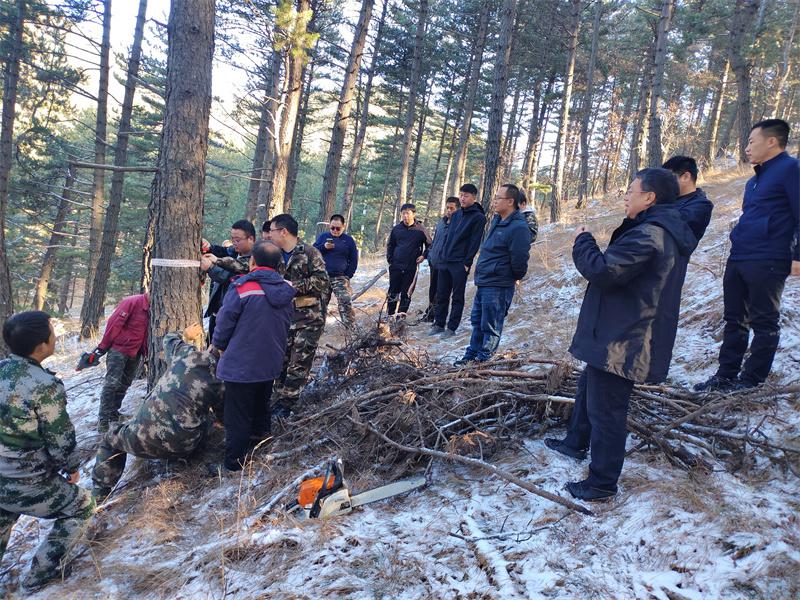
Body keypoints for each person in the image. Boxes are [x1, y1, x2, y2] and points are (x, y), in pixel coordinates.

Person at [545, 168, 696, 501]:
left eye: (631, 191)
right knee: (589, 390)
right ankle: (574, 443)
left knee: (607, 411)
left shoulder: (651, 235)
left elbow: (603, 270)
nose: (626, 196)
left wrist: (583, 241)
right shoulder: (652, 230)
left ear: (649, 197)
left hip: (625, 339)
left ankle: (601, 484)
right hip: (618, 331)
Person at [695, 119, 799, 392]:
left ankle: (751, 382)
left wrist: (797, 256)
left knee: (764, 321)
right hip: (740, 256)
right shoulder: (754, 180)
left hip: (770, 258)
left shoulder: (791, 170)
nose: (747, 147)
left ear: (772, 141)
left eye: (752, 141)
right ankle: (726, 375)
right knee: (734, 320)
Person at [0, 311, 95, 590]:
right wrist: (72, 467)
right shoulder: (44, 385)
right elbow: (60, 439)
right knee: (82, 505)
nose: (55, 336)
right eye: (52, 332)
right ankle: (38, 578)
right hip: (25, 481)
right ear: (42, 346)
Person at [92, 324, 225, 498]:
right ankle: (178, 460)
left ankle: (99, 493)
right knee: (207, 420)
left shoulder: (187, 354)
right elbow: (223, 418)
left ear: (212, 346)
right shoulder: (224, 380)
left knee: (111, 437)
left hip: (144, 438)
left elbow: (169, 339)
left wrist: (185, 333)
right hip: (185, 445)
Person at [211, 241, 295, 472]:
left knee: (237, 416)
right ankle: (261, 448)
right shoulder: (286, 289)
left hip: (241, 364)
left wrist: (216, 346)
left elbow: (224, 324)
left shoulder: (241, 288)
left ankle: (233, 464)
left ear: (253, 262)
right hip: (270, 362)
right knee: (261, 406)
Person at [455, 184, 531, 365]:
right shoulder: (497, 220)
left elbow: (520, 259)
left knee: (491, 324)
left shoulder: (519, 227)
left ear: (510, 201)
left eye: (498, 198)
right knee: (477, 321)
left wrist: (513, 276)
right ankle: (471, 356)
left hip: (499, 284)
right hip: (485, 281)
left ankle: (484, 361)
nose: (494, 201)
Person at [268, 214, 331, 417]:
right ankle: (277, 400)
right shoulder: (275, 254)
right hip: (284, 318)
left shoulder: (310, 253)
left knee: (299, 363)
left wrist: (292, 287)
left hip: (309, 319)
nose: (269, 234)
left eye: (272, 230)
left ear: (283, 232)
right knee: (281, 362)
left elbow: (322, 282)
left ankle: (287, 406)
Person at [90, 293, 150, 432]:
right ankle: (104, 420)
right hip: (118, 350)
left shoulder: (155, 307)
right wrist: (103, 346)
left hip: (136, 352)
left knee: (125, 383)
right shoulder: (132, 302)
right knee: (112, 384)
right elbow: (114, 323)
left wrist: (146, 353)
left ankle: (113, 414)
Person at [431, 184, 486, 336]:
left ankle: (451, 327)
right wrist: (442, 255)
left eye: (466, 195)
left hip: (459, 263)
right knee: (441, 294)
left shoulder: (479, 217)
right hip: (445, 260)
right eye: (461, 195)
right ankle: (439, 324)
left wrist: (467, 263)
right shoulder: (456, 215)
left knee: (457, 296)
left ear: (474, 197)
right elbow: (448, 237)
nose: (462, 198)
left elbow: (474, 242)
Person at [201, 219, 256, 344]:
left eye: (238, 240)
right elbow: (223, 251)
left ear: (251, 239)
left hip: (235, 316)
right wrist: (209, 247)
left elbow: (229, 277)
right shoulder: (235, 252)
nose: (234, 243)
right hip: (218, 312)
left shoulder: (255, 259)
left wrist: (211, 267)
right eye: (232, 239)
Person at [386, 203, 431, 317]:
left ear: (413, 214)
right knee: (393, 293)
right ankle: (390, 316)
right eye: (403, 213)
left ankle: (401, 318)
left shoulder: (420, 230)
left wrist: (424, 256)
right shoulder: (397, 229)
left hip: (411, 267)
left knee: (406, 293)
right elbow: (390, 245)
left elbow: (430, 245)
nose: (405, 216)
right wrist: (391, 260)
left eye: (408, 213)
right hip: (396, 266)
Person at [314, 214, 359, 326]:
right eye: (332, 228)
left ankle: (350, 329)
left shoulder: (348, 240)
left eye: (337, 228)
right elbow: (313, 252)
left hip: (340, 277)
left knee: (345, 302)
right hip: (323, 277)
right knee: (320, 304)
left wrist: (348, 275)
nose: (334, 230)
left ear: (343, 227)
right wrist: (324, 247)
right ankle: (317, 329)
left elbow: (354, 259)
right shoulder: (323, 237)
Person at [423, 197, 459, 323]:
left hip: (446, 263)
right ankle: (430, 313)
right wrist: (429, 255)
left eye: (452, 208)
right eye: (447, 208)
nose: (449, 211)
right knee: (432, 289)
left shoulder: (458, 225)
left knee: (441, 292)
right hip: (435, 261)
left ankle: (436, 315)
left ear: (458, 209)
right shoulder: (441, 222)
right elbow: (434, 241)